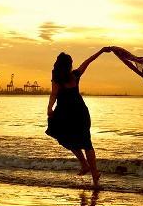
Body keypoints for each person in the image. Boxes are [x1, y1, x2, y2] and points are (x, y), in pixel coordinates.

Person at [46, 47, 111, 185]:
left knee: (65, 137)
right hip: (81, 112)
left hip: (67, 114)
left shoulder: (58, 77)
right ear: (69, 65)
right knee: (86, 143)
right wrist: (101, 51)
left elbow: (54, 94)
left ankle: (86, 166)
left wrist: (49, 108)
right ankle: (93, 173)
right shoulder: (75, 75)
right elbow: (88, 61)